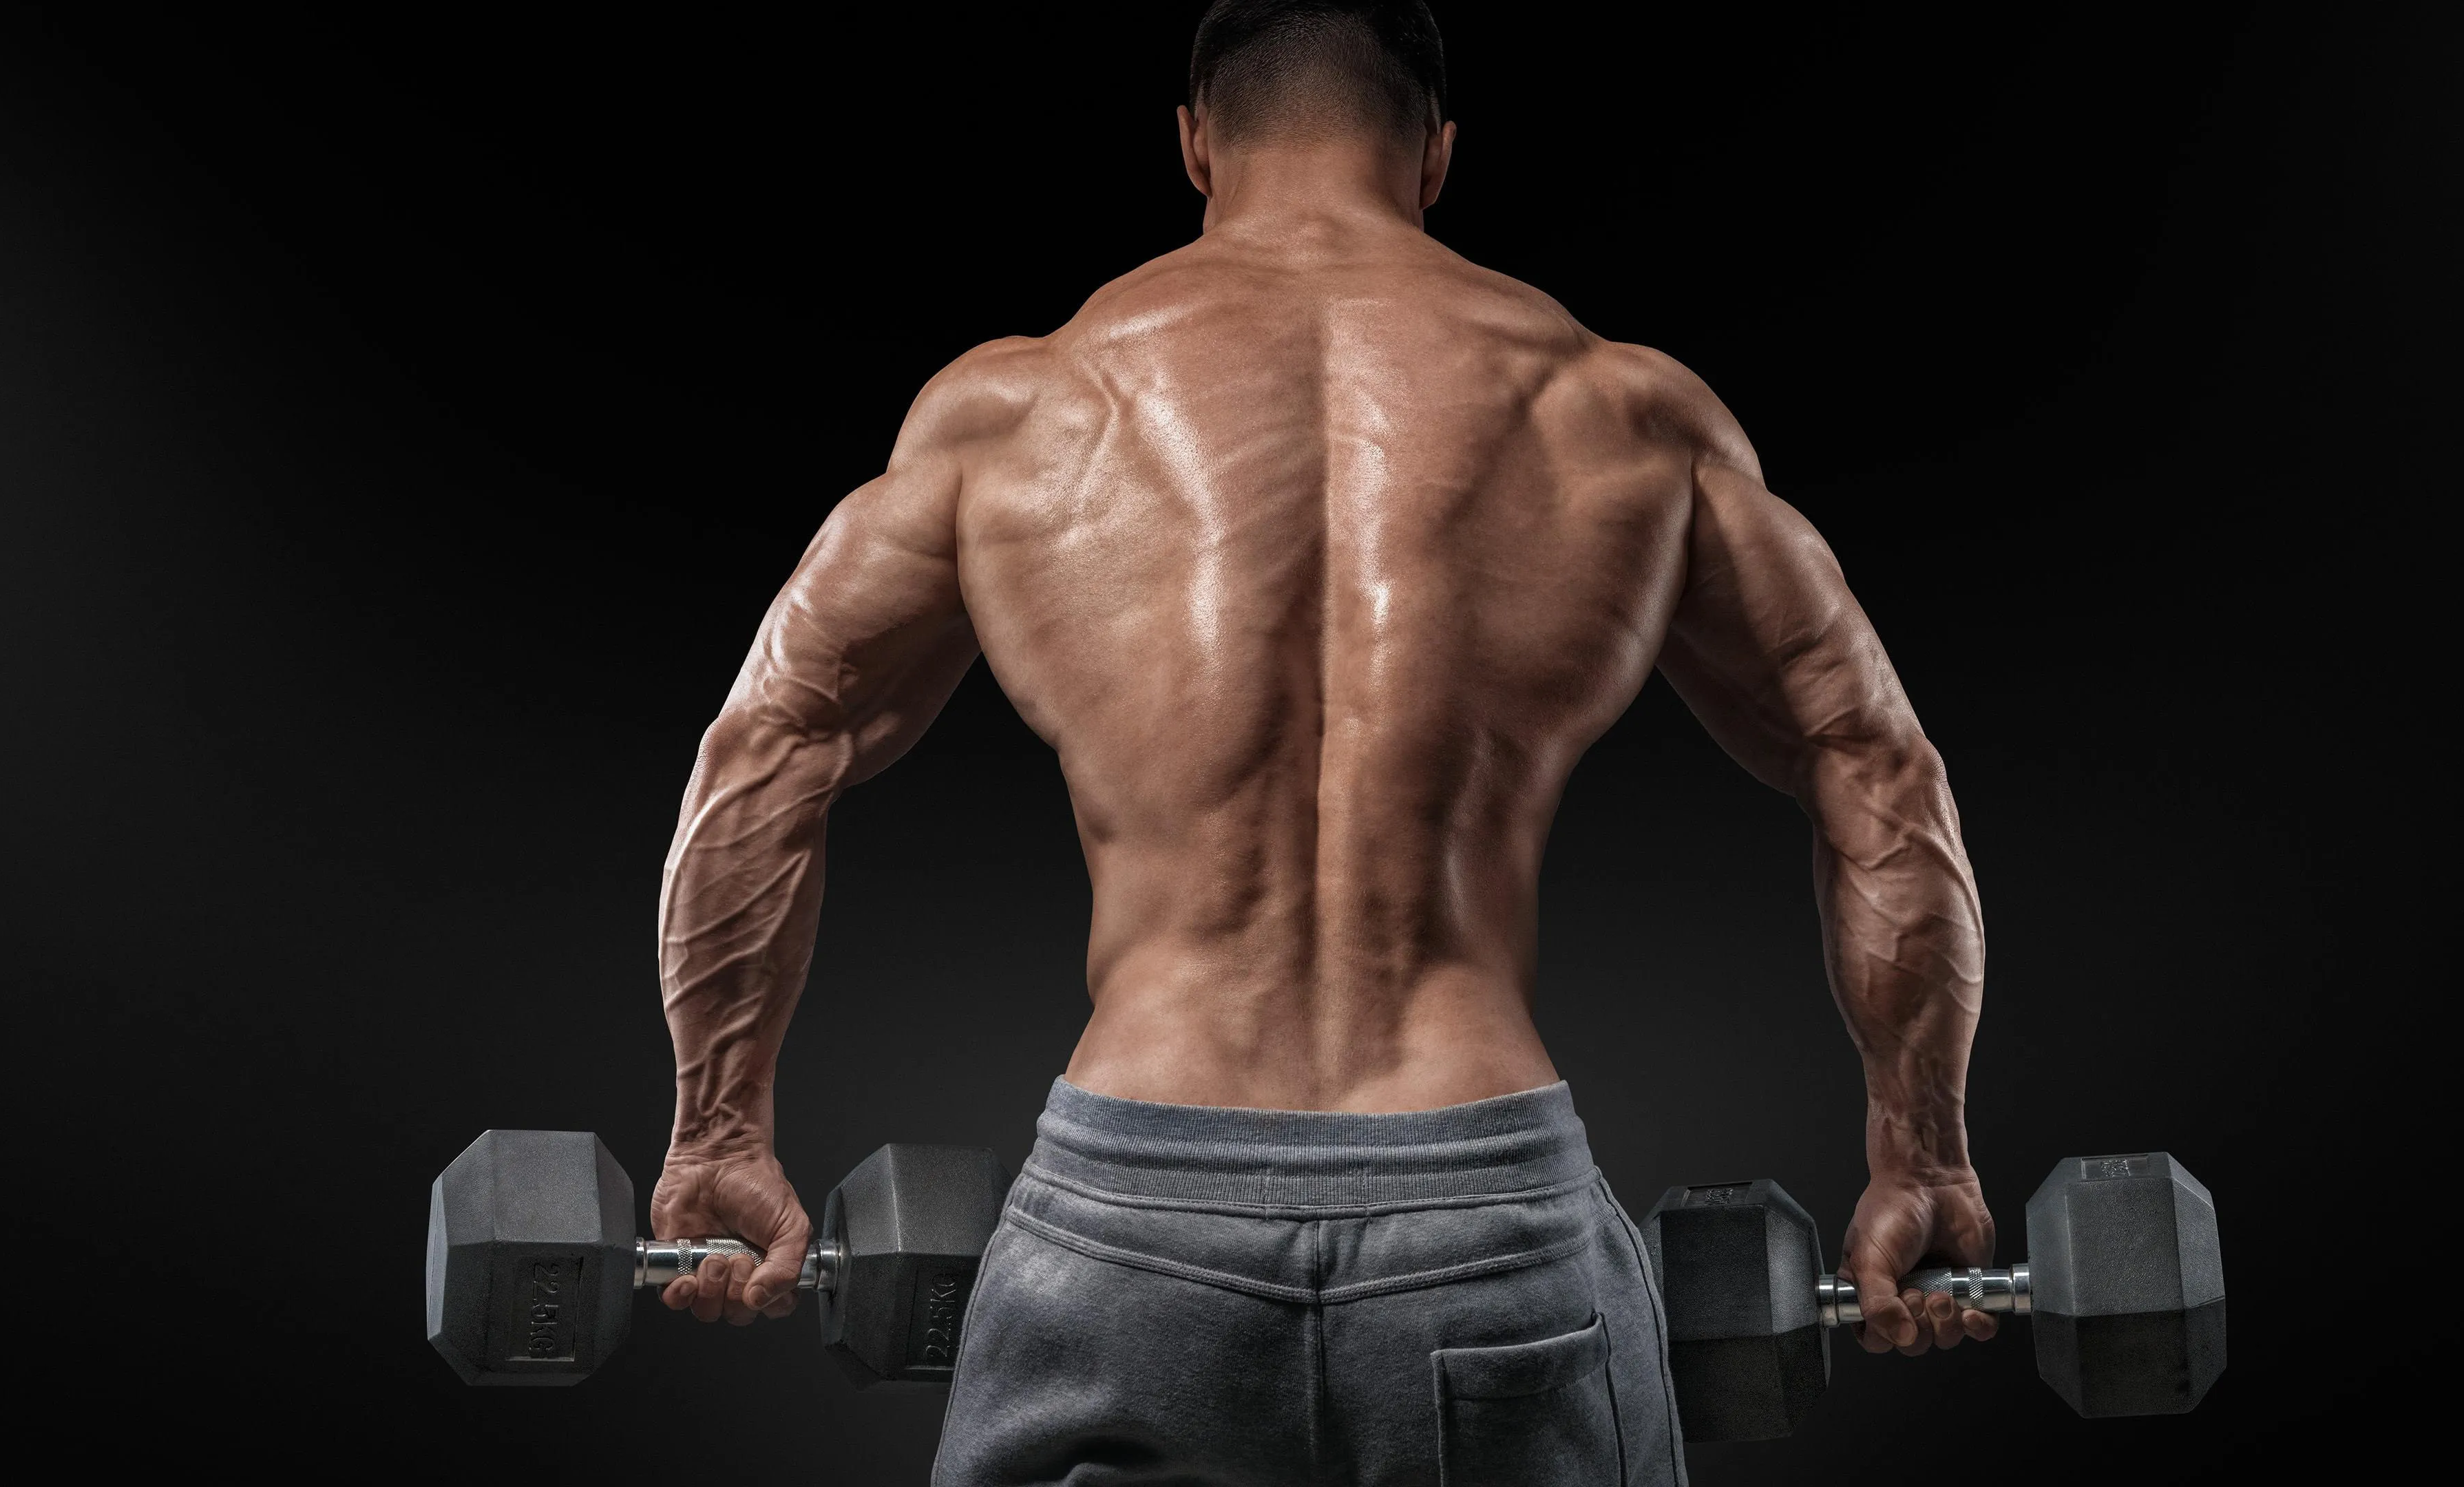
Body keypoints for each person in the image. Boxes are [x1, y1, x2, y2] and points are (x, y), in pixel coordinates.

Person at [646, 2, 1990, 1480]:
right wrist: (1919, 1154)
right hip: (1486, 1207)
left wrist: (719, 1128)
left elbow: (767, 747)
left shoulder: (1014, 413)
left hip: (1131, 1203)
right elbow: (1877, 766)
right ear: (1437, 157)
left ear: (1195, 143)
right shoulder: (1621, 415)